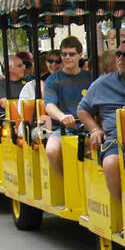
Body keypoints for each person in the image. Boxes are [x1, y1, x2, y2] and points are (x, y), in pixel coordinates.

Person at [77, 39, 125, 205]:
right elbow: (82, 109)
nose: (120, 58)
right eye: (118, 54)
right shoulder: (102, 83)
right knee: (111, 163)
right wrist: (94, 129)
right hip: (116, 139)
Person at [44, 36, 95, 182]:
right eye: (64, 54)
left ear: (80, 55)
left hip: (89, 128)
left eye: (71, 54)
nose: (67, 57)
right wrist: (62, 117)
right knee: (52, 150)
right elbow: (49, 105)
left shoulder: (90, 78)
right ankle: (67, 182)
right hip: (63, 129)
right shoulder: (53, 80)